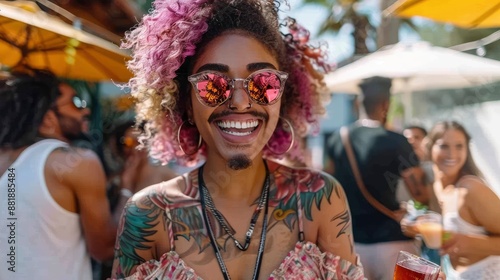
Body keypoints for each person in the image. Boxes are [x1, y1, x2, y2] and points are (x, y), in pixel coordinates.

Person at [111, 0, 365, 279]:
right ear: (185, 102)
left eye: (264, 82)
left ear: (283, 96)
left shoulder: (320, 198)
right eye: (213, 83)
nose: (240, 102)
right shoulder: (148, 213)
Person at [0, 69, 128, 280]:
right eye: (76, 102)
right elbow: (105, 249)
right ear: (48, 119)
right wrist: (129, 186)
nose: (85, 110)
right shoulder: (78, 162)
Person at [324, 76, 431, 280]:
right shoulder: (397, 141)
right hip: (393, 243)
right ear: (386, 104)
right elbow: (421, 196)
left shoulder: (338, 137)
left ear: (358, 103)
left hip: (350, 244)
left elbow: (329, 187)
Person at [426, 121, 500, 279]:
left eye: (459, 146)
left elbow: (461, 242)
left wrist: (467, 243)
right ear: (430, 148)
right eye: (444, 146)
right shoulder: (438, 188)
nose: (452, 154)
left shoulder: (470, 189)